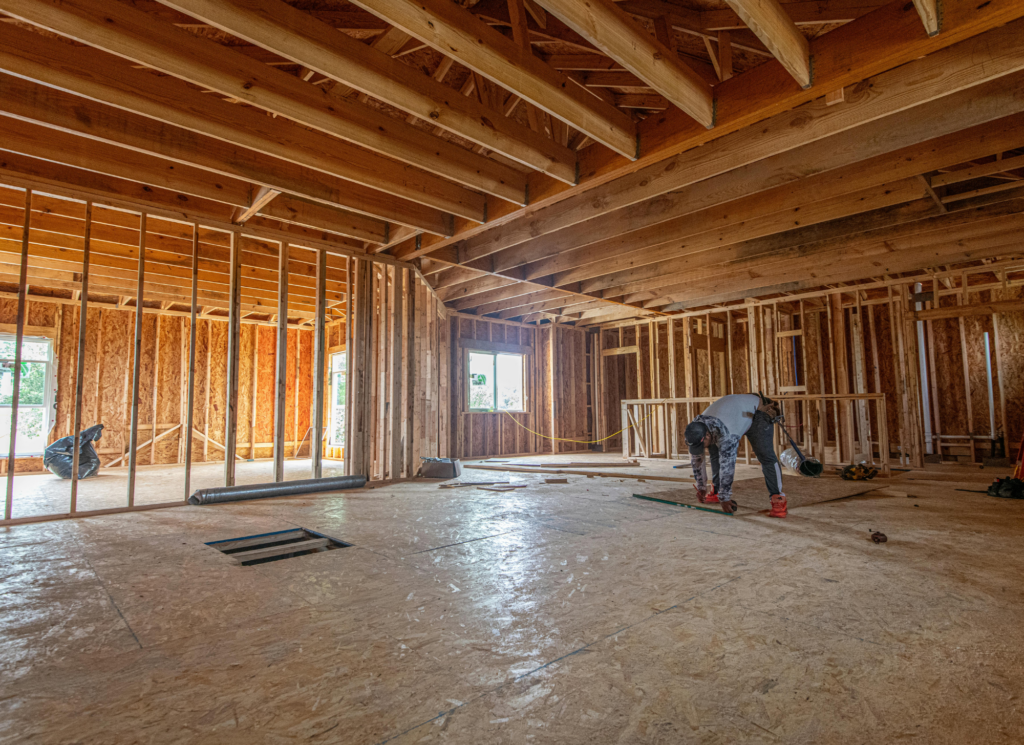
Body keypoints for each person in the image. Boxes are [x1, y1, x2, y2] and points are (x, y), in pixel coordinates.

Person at [684, 393, 787, 517]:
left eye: (701, 444)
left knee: (765, 455)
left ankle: (778, 498)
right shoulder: (696, 428)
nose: (700, 449)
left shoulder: (728, 433)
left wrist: (725, 497)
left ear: (706, 435)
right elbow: (697, 459)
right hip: (734, 414)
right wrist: (701, 486)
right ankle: (716, 490)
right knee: (714, 451)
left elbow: (728, 465)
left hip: (757, 412)